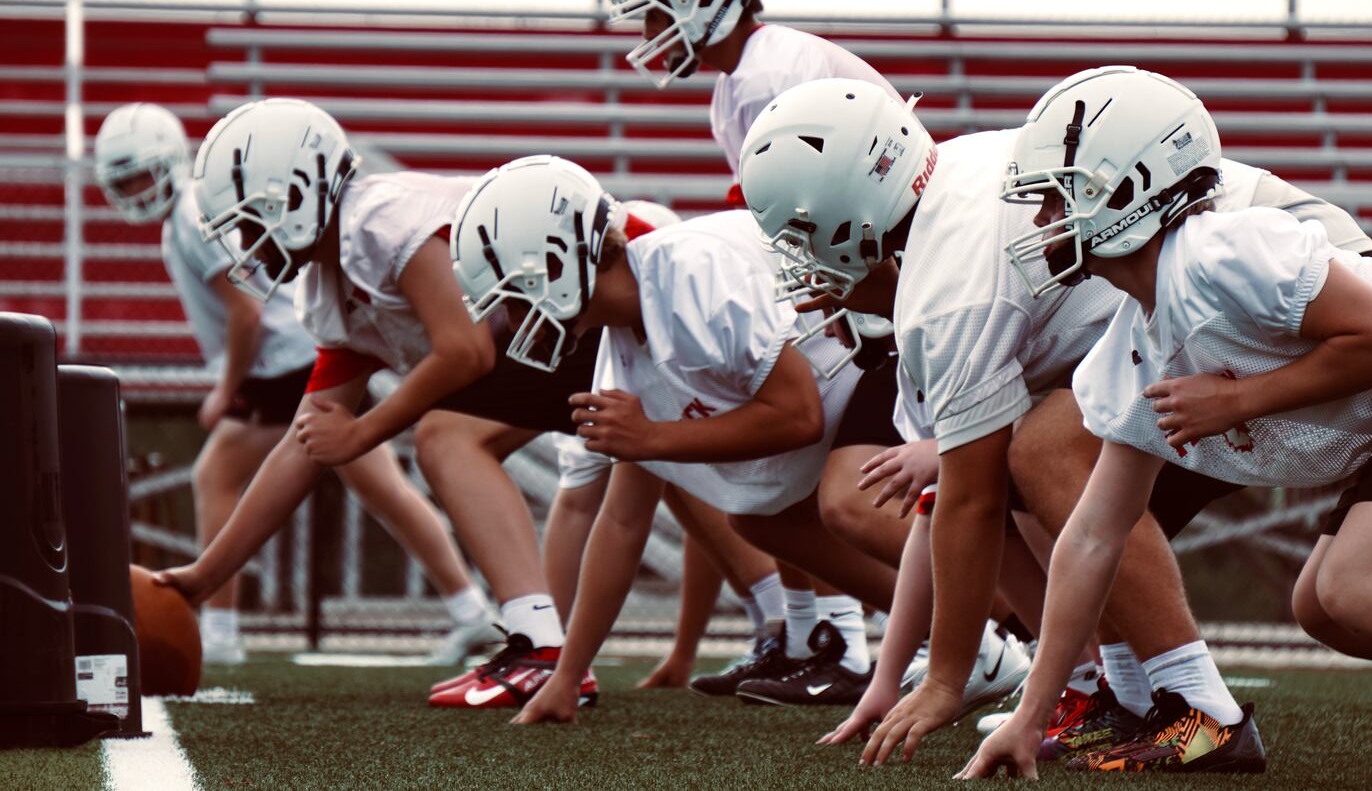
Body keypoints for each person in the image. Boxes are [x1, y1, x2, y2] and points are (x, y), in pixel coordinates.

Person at [958, 67, 1372, 786]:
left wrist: (1237, 401)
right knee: (1324, 606)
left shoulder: (1217, 249)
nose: (1043, 219)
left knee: (1359, 586)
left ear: (1128, 187)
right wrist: (1030, 712)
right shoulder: (1134, 347)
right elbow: (1092, 534)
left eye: (1057, 196)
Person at [738, 74, 1372, 771]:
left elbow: (968, 501)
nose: (804, 262)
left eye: (800, 234)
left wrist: (947, 678)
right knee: (1029, 451)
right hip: (1247, 286)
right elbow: (943, 504)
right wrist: (897, 677)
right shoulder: (946, 197)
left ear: (844, 212)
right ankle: (1130, 696)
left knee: (1040, 448)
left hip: (1292, 284)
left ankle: (1203, 711)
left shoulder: (947, 284)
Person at [152, 99, 638, 707]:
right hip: (564, 329)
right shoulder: (331, 289)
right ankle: (543, 643)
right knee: (691, 475)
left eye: (251, 221)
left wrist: (361, 435)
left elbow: (463, 352)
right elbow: (302, 446)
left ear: (293, 196)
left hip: (624, 291)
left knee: (449, 437)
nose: (246, 243)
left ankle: (547, 644)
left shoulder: (379, 223)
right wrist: (205, 575)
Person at [448, 155, 921, 718]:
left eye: (515, 293)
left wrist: (651, 438)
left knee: (844, 501)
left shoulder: (688, 273)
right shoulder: (625, 341)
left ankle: (995, 628)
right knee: (759, 515)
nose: (515, 316)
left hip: (895, 350)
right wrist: (568, 675)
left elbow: (798, 416)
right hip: (852, 380)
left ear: (555, 263)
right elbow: (621, 523)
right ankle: (966, 630)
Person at [607, 0, 925, 699]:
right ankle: (823, 633)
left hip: (889, 283)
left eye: (655, 15)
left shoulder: (768, 75)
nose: (647, 37)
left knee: (801, 450)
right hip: (867, 277)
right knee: (767, 444)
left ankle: (920, 633)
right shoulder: (744, 78)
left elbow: (793, 221)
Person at [93, 103, 492, 666]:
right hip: (301, 356)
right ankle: (473, 609)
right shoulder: (306, 281)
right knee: (381, 484)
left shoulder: (363, 227)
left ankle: (223, 628)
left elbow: (247, 313)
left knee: (227, 475)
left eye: (141, 173)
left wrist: (226, 387)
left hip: (281, 361)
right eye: (124, 180)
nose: (248, 245)